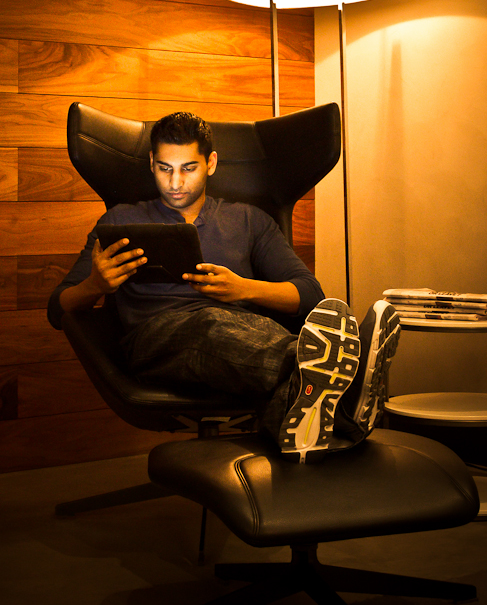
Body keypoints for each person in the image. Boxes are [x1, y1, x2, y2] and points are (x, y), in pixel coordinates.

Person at [48, 112, 400, 463]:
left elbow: (310, 295)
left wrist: (244, 289)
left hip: (247, 330)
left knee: (231, 325)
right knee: (210, 325)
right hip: (155, 342)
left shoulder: (248, 220)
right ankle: (346, 377)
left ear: (211, 163)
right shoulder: (119, 220)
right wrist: (95, 285)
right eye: (165, 168)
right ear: (152, 162)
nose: (175, 182)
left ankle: (298, 415)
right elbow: (57, 307)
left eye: (189, 168)